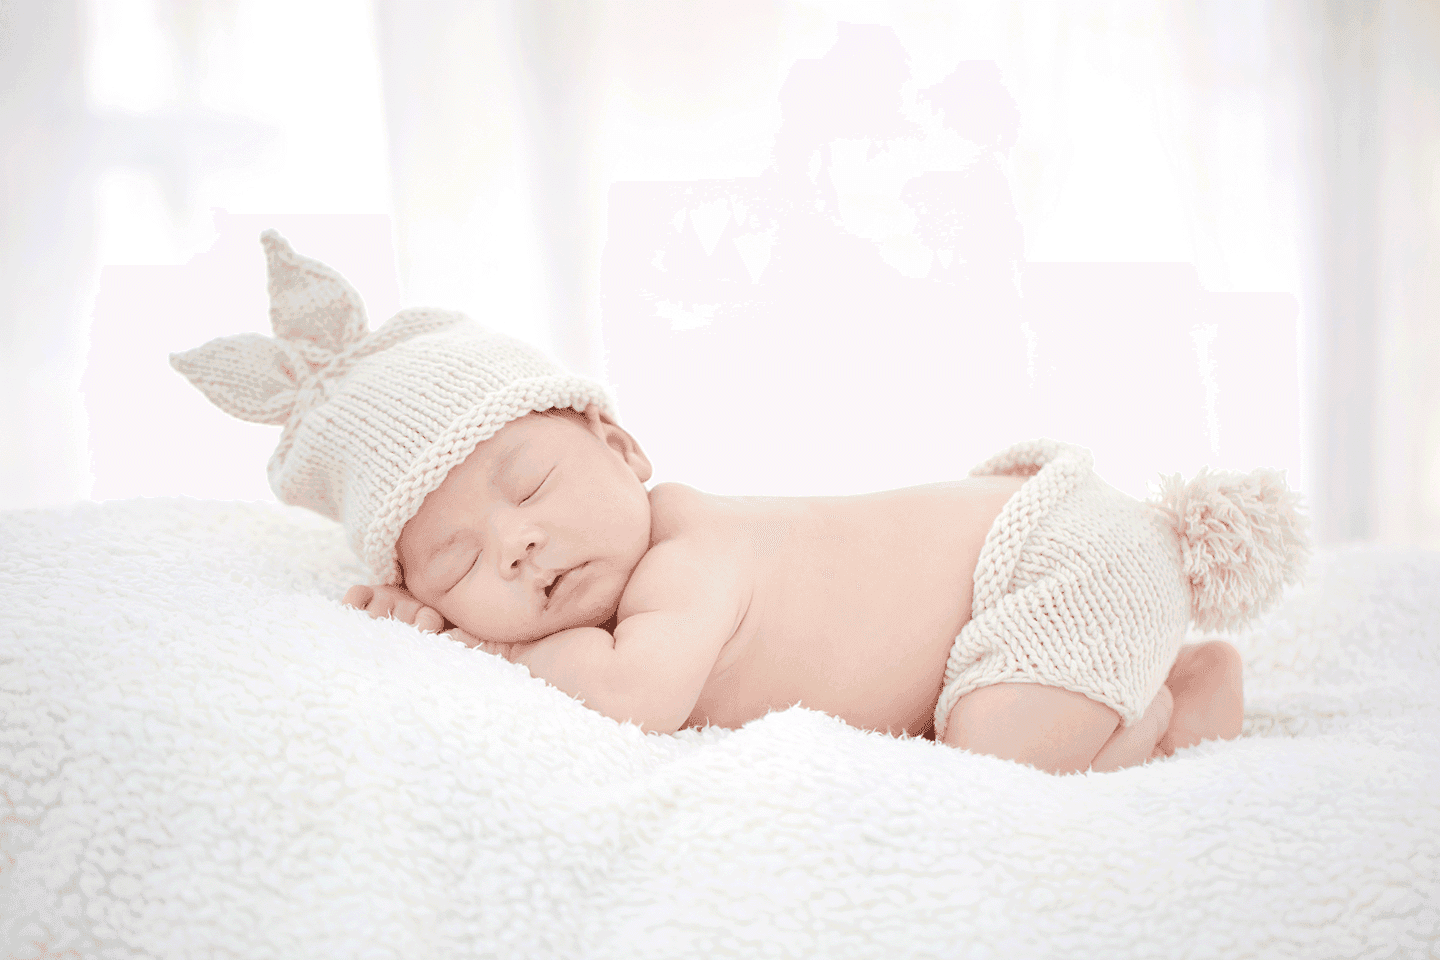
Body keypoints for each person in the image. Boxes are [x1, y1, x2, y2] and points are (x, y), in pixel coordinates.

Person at [174, 232, 1310, 775]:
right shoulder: (618, 574)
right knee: (991, 726)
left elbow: (630, 698)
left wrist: (464, 644)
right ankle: (1159, 670)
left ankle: (1167, 709)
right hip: (1028, 566)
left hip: (1053, 556)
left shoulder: (689, 551)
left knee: (996, 757)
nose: (515, 544)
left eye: (529, 484)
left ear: (621, 446)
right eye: (458, 562)